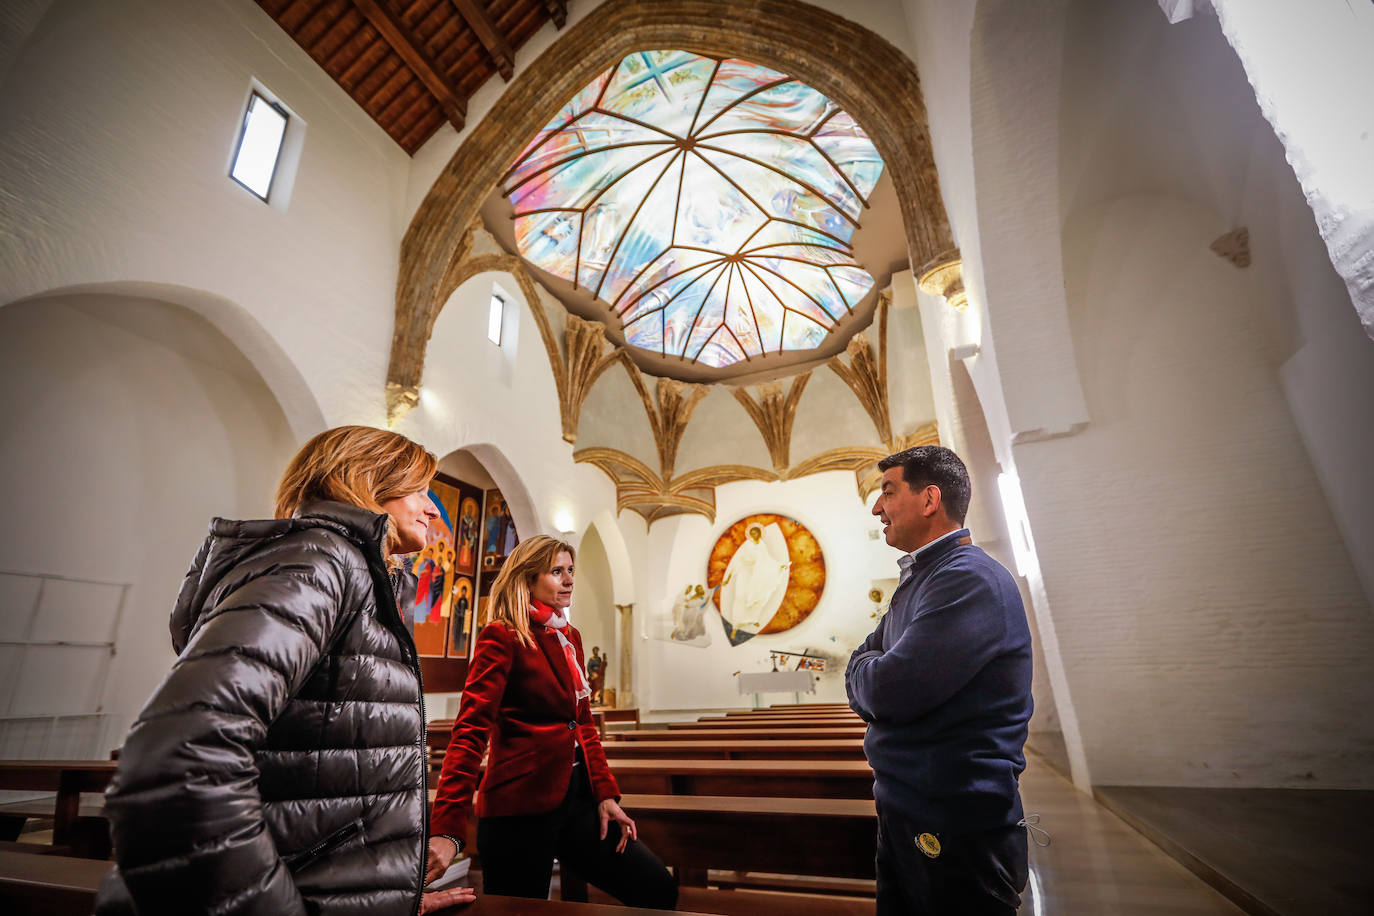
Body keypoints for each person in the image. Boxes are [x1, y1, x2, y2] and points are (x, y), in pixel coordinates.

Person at [95, 426, 476, 916]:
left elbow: (316, 774)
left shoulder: (347, 570)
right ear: (366, 481)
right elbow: (182, 760)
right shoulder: (321, 561)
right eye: (420, 491)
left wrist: (380, 898)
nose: (432, 509)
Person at [429, 535, 678, 908]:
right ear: (529, 579)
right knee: (519, 911)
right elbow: (470, 732)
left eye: (571, 571)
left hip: (577, 801)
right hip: (519, 809)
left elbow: (583, 724)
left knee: (656, 887)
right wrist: (448, 829)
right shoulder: (503, 636)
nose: (569, 579)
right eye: (557, 571)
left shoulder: (568, 636)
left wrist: (605, 793)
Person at [846, 445, 1033, 915]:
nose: (876, 508)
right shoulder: (923, 579)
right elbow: (867, 663)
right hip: (908, 804)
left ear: (930, 500)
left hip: (953, 817)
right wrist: (866, 668)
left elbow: (887, 690)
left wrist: (865, 671)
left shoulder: (966, 579)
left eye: (887, 491)